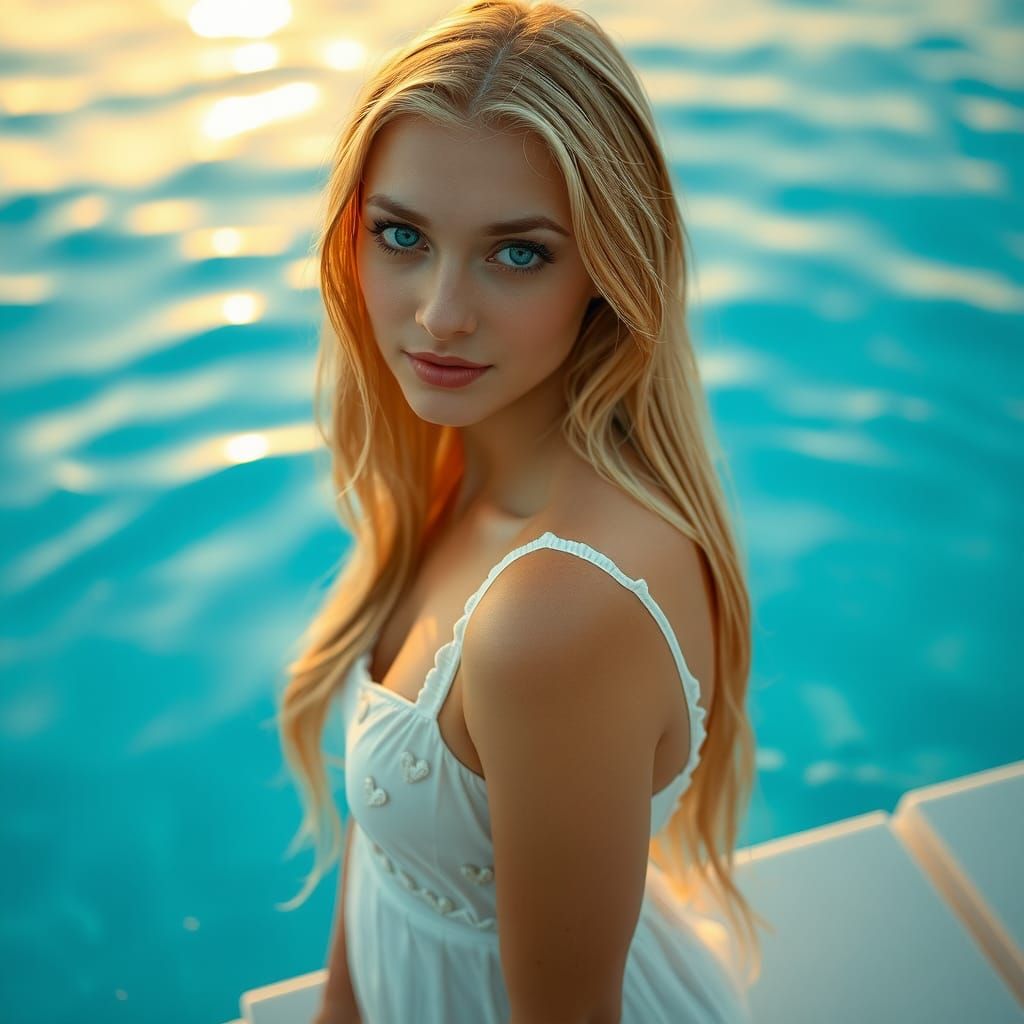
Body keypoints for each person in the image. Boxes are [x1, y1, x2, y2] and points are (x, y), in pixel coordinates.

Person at [277, 1, 770, 1021]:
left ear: (608, 268)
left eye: (517, 253)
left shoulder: (552, 615)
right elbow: (383, 863)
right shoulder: (464, 466)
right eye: (401, 235)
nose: (440, 312)